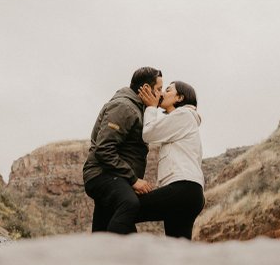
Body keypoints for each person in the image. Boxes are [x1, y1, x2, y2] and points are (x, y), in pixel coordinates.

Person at [83, 67, 163, 234]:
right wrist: (133, 180)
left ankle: (99, 250)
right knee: (129, 203)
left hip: (115, 176)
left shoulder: (136, 108)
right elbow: (104, 149)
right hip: (102, 174)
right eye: (159, 89)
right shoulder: (124, 107)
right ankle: (117, 249)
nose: (161, 94)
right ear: (146, 88)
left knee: (103, 228)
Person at [135, 81, 205, 239]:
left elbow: (148, 133)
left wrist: (151, 107)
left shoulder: (183, 115)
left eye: (167, 90)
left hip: (183, 188)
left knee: (127, 209)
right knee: (178, 247)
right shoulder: (184, 121)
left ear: (180, 97)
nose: (162, 93)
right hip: (191, 192)